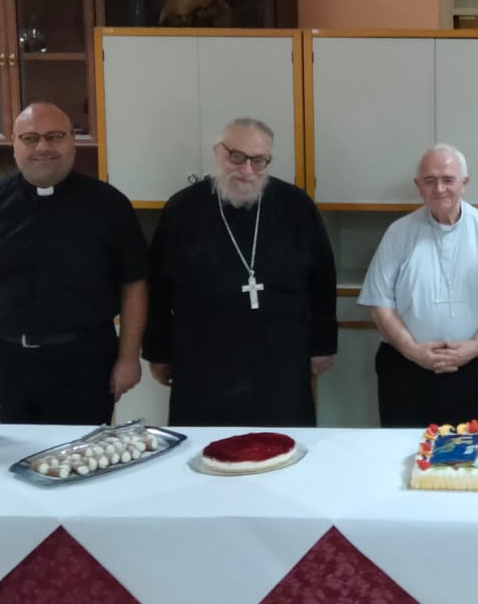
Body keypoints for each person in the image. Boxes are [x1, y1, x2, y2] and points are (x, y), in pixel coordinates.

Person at [0, 102, 147, 425]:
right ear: (14, 145)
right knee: (2, 451)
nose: (43, 147)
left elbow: (135, 283)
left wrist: (128, 358)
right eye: (30, 138)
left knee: (82, 452)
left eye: (54, 136)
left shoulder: (110, 205)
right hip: (0, 362)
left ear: (73, 141)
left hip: (84, 363)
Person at [143, 117, 336, 426]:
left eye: (258, 161)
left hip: (281, 363)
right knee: (203, 447)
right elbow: (158, 288)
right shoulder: (183, 208)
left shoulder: (296, 206)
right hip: (203, 361)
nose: (247, 170)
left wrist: (323, 346)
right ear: (218, 152)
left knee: (283, 445)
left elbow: (323, 281)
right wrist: (158, 350)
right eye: (237, 157)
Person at [358, 144, 478, 428]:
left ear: (464, 183)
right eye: (430, 180)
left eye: (448, 179)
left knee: (472, 450)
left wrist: (476, 346)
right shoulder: (398, 233)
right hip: (407, 368)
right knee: (405, 449)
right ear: (418, 186)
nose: (439, 188)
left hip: (476, 367)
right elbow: (380, 301)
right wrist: (412, 350)